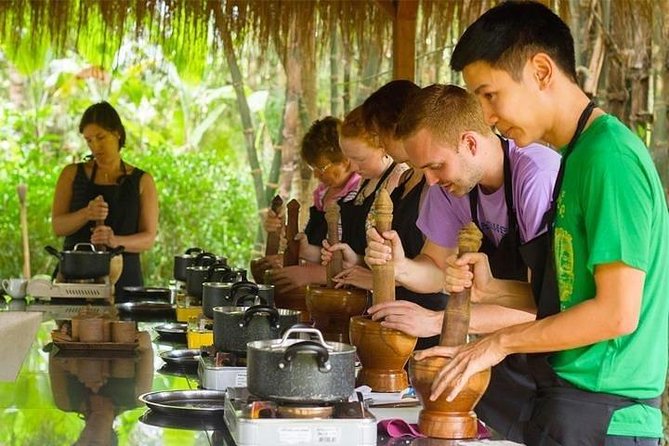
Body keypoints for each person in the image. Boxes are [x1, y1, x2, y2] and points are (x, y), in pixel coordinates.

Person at [415, 2, 669, 445]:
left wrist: (497, 343)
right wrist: (493, 288)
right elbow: (573, 296)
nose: (488, 117)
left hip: (606, 418)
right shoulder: (577, 158)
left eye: (490, 95)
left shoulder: (610, 159)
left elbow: (616, 313)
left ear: (541, 71)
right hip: (568, 403)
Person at [364, 83, 560, 440]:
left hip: (555, 363)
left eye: (436, 166)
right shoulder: (448, 187)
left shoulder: (536, 177)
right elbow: (436, 270)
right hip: (494, 362)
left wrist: (436, 321)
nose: (430, 180)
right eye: (423, 168)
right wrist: (402, 265)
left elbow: (547, 305)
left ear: (470, 143)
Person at [323, 80, 448, 350]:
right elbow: (399, 260)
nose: (381, 143)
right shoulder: (406, 181)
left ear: (399, 127)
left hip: (426, 326)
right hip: (397, 320)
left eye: (381, 135)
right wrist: (358, 260)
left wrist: (387, 273)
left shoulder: (438, 183)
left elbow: (440, 274)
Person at [51, 101, 158, 302]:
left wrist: (114, 241)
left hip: (125, 281)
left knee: (123, 332)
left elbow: (148, 238)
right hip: (75, 280)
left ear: (117, 133)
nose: (95, 146)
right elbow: (58, 226)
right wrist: (87, 214)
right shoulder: (72, 174)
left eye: (101, 137)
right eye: (89, 140)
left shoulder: (142, 181)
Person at [261, 117, 361, 294]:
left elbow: (356, 262)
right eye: (312, 168)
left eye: (321, 168)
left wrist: (311, 274)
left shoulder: (359, 196)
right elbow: (322, 252)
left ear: (346, 159)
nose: (316, 175)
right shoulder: (323, 194)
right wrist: (303, 250)